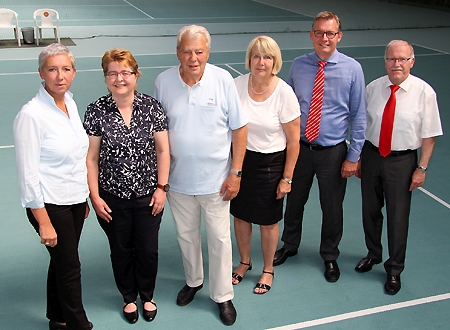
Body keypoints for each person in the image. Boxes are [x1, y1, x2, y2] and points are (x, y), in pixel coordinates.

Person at [154, 25, 247, 325]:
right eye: (187, 51)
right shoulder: (163, 81)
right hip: (178, 182)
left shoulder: (222, 80)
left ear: (208, 52)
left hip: (217, 182)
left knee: (220, 240)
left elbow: (239, 128)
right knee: (186, 237)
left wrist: (236, 173)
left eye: (199, 51)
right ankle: (194, 281)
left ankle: (222, 296)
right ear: (178, 53)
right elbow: (159, 132)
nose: (193, 58)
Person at [273, 11, 366, 283]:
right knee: (294, 200)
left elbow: (359, 115)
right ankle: (289, 245)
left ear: (339, 36)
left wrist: (353, 156)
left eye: (330, 33)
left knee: (332, 207)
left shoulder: (352, 69)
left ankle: (329, 255)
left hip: (333, 153)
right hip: (299, 149)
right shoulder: (299, 65)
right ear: (312, 35)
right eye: (319, 32)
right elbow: (287, 109)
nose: (325, 38)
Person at [84, 49, 170, 324]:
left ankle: (147, 295)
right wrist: (95, 197)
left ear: (135, 74)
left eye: (125, 72)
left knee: (147, 249)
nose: (119, 78)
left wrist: (161, 188)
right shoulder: (96, 110)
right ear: (105, 77)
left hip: (148, 196)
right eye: (112, 73)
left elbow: (163, 151)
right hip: (112, 197)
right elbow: (91, 158)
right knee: (120, 249)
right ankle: (128, 297)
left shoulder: (152, 107)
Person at [13, 43, 93, 330]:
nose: (60, 76)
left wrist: (82, 198)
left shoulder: (69, 103)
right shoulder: (31, 115)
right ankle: (78, 325)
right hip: (49, 205)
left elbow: (74, 157)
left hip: (73, 200)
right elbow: (27, 176)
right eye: (52, 69)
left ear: (74, 72)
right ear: (41, 73)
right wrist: (43, 222)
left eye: (66, 69)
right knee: (70, 266)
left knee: (61, 261)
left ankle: (57, 318)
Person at [354, 40, 443, 295]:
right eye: (392, 59)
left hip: (402, 161)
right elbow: (363, 126)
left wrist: (422, 168)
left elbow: (430, 135)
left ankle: (394, 269)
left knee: (397, 216)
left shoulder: (425, 93)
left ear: (412, 62)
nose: (397, 64)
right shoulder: (373, 88)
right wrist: (359, 156)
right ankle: (373, 254)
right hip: (371, 156)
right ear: (385, 61)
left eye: (402, 59)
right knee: (370, 210)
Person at [230, 36, 300, 294]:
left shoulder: (284, 92)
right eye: (257, 56)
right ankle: (244, 262)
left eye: (267, 57)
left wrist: (287, 178)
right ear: (249, 59)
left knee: (268, 221)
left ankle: (268, 268)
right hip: (241, 161)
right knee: (241, 215)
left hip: (271, 164)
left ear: (275, 62)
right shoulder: (235, 85)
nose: (261, 62)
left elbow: (294, 142)